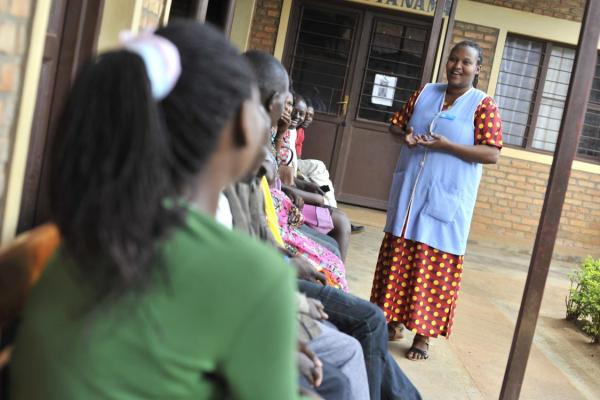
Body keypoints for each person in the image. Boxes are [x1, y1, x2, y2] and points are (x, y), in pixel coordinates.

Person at [10, 22, 302, 399]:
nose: (272, 118)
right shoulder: (253, 275)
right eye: (262, 106)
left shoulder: (90, 235)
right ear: (243, 124)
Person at [244, 49, 421, 400]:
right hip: (261, 289)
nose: (292, 113)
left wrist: (284, 257)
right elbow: (238, 256)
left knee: (360, 327)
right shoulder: (240, 159)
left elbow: (252, 231)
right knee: (365, 326)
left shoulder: (249, 152)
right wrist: (286, 281)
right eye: (288, 104)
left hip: (268, 274)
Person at [370, 40, 503, 361]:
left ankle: (423, 337)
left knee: (432, 268)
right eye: (453, 59)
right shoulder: (426, 92)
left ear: (477, 68)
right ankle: (391, 322)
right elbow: (395, 125)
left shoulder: (482, 105)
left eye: (466, 62)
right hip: (409, 195)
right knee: (400, 258)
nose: (457, 66)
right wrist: (406, 137)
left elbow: (492, 152)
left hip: (446, 200)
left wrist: (448, 147)